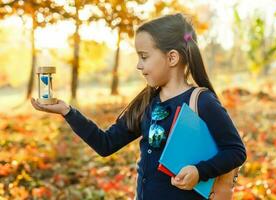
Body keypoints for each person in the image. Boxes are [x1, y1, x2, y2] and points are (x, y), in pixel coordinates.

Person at [31, 13, 247, 200]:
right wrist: (68, 112)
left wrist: (199, 171)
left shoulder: (202, 101)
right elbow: (106, 144)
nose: (138, 65)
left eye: (144, 57)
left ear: (172, 57)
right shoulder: (147, 102)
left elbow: (236, 151)